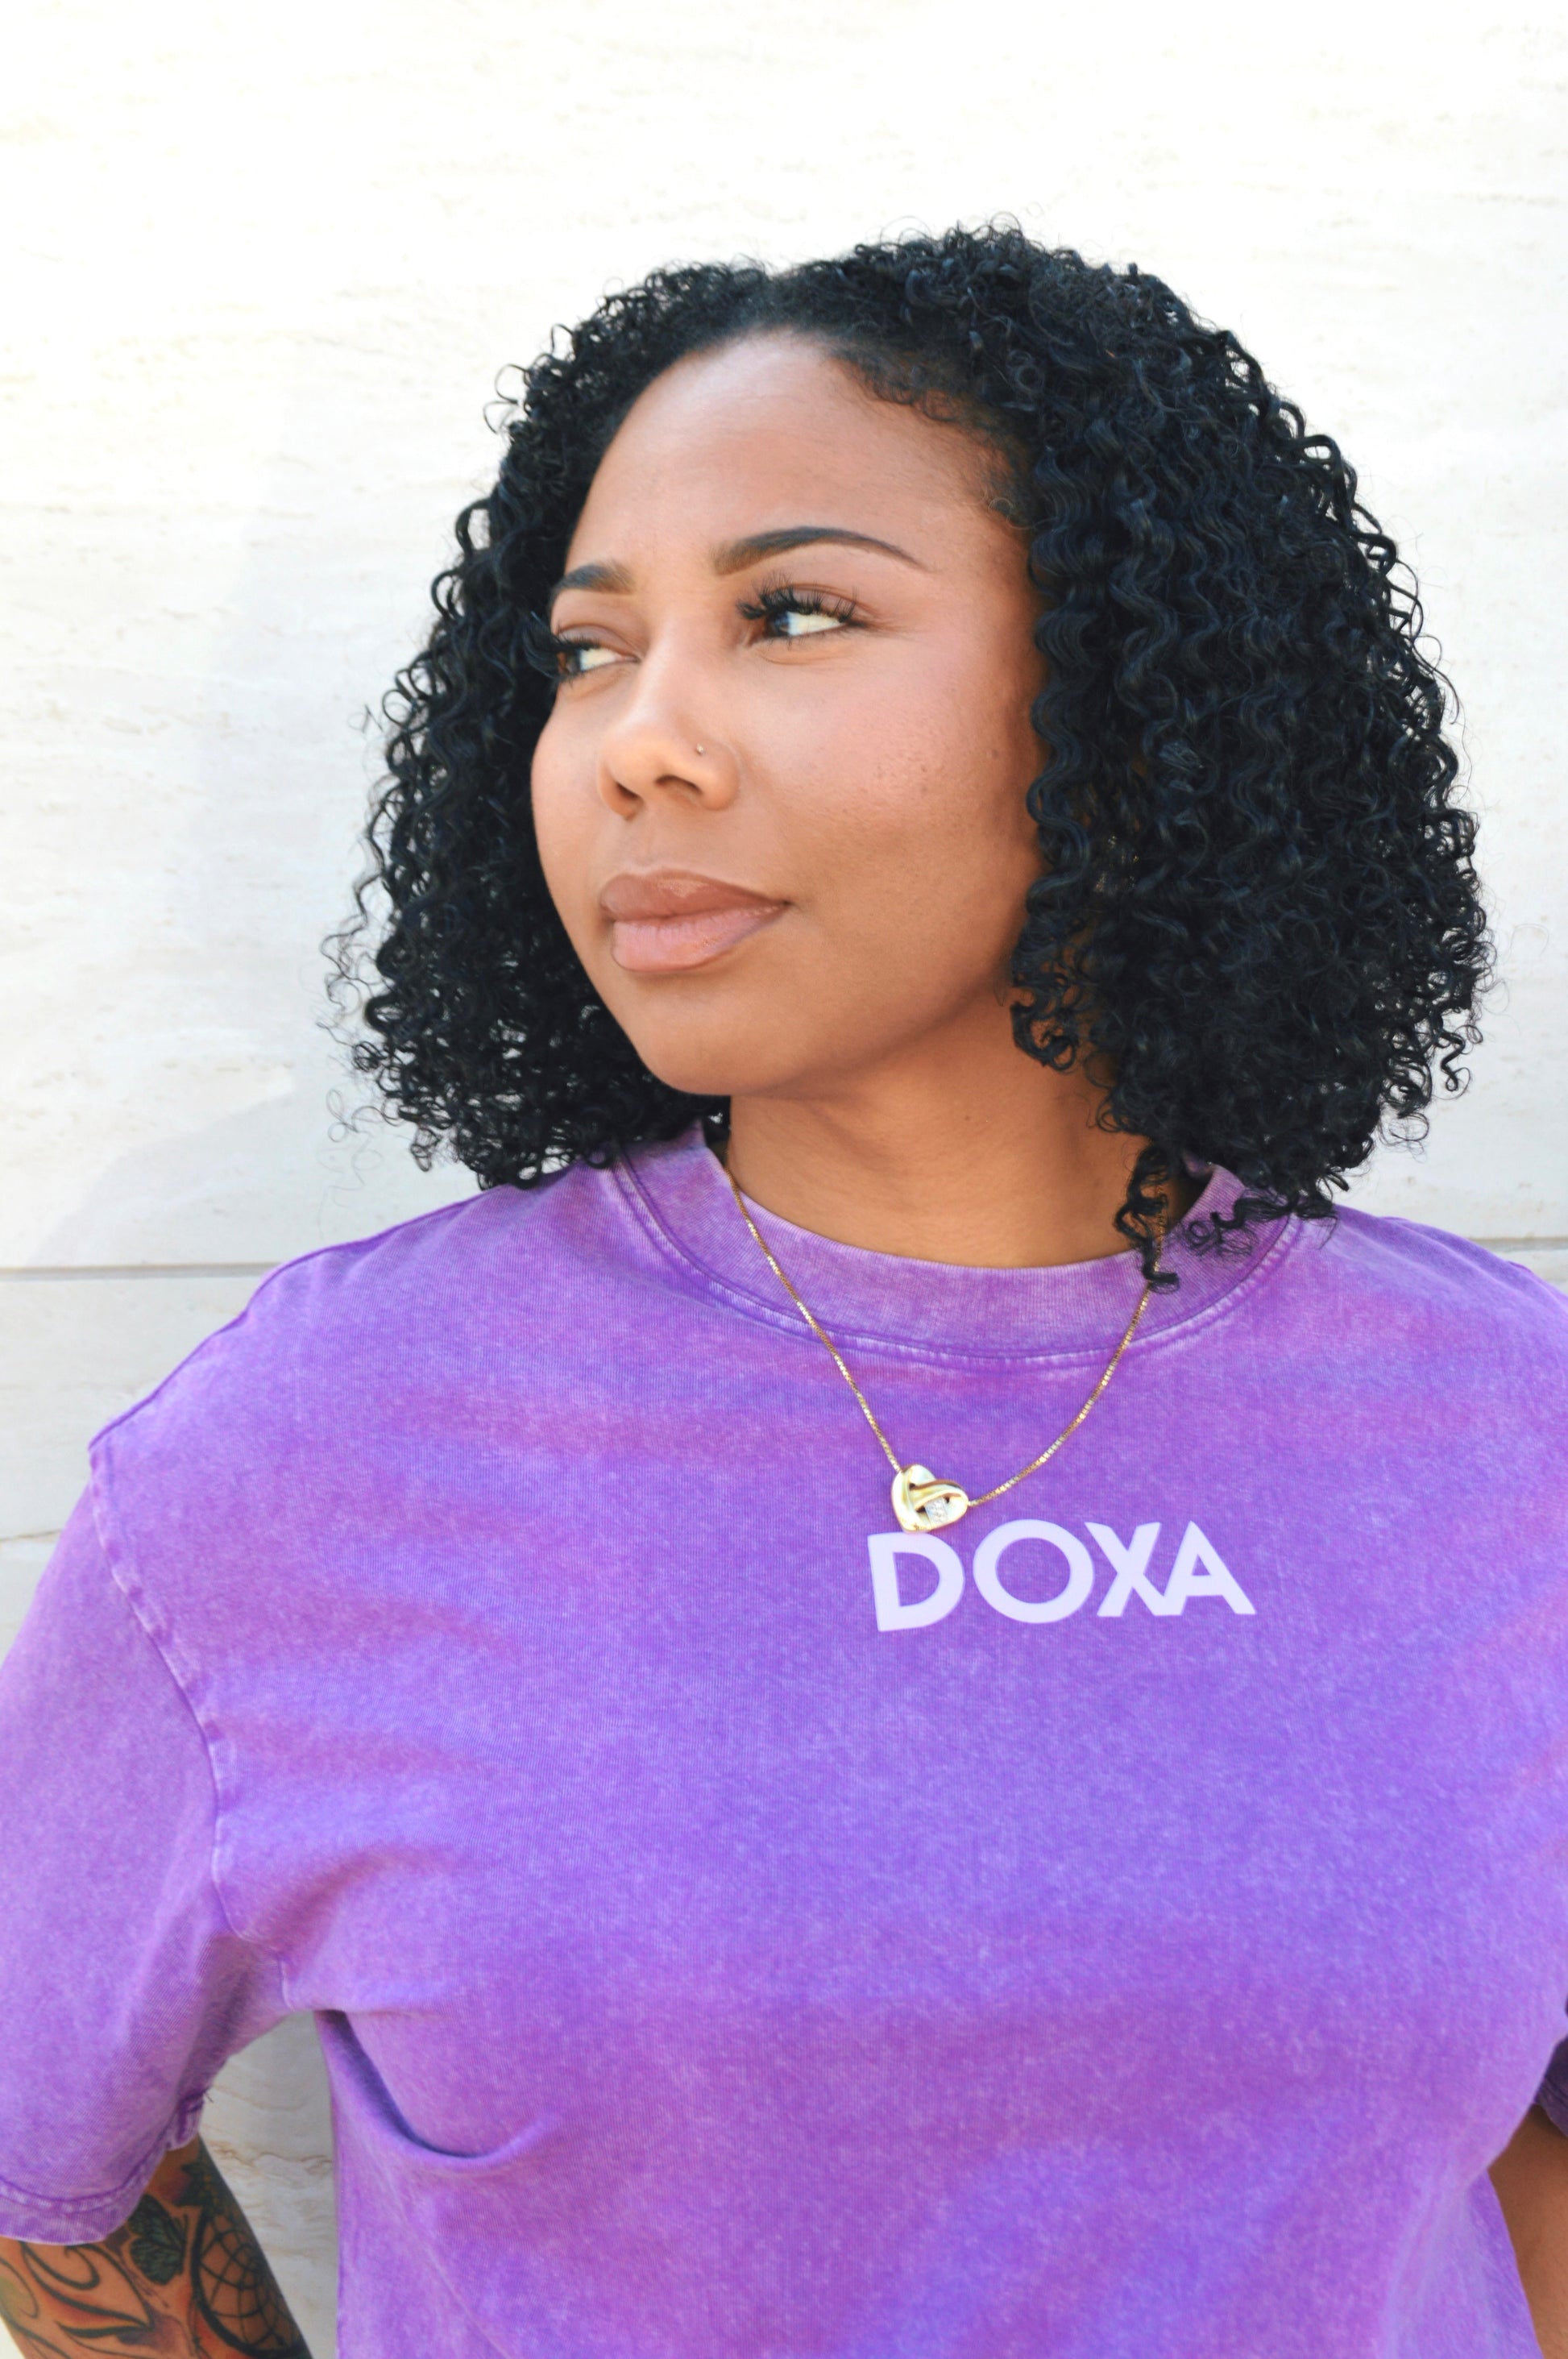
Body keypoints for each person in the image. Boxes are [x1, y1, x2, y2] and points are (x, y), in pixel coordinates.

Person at [2, 222, 1566, 2359]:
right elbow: (40, 2149)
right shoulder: (323, 1440)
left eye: (793, 613)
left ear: (1128, 706)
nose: (634, 745)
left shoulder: (1498, 1425)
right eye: (584, 653)